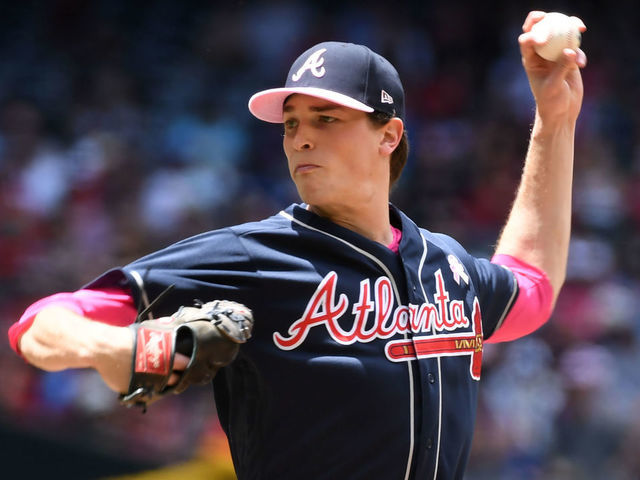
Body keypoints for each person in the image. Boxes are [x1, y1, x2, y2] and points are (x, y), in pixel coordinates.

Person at [8, 11, 586, 480]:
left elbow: (531, 287)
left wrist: (554, 120)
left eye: (326, 118)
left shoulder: (448, 267)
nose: (300, 136)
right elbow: (40, 326)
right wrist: (117, 348)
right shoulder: (252, 258)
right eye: (290, 123)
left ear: (389, 134)